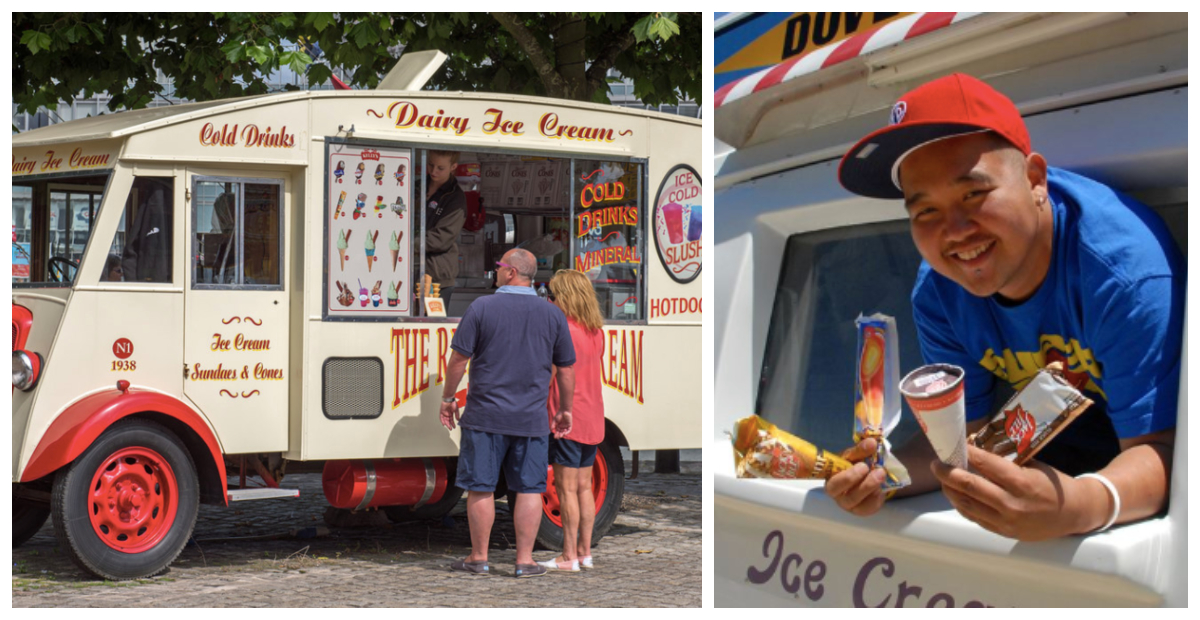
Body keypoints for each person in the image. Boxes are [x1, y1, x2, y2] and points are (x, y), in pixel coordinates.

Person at [828, 73, 1183, 541]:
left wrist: (1081, 506)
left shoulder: (1124, 274)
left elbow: (1164, 449)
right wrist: (880, 477)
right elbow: (962, 441)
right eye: (925, 211)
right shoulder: (939, 292)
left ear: (1035, 180)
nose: (954, 231)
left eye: (973, 194)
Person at [439, 248, 576, 578]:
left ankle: (479, 557)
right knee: (529, 488)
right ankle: (524, 561)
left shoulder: (482, 307)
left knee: (481, 487)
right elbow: (567, 369)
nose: (496, 270)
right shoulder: (552, 314)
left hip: (485, 415)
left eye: (499, 266)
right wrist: (564, 409)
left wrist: (447, 397)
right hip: (530, 419)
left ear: (512, 272)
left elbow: (459, 359)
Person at [537, 270, 606, 572]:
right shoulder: (596, 331)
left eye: (550, 295)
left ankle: (567, 556)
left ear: (562, 297)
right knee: (583, 488)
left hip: (568, 417)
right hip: (593, 416)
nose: (548, 300)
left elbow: (551, 374)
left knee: (565, 490)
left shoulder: (561, 330)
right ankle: (585, 552)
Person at [422, 150, 466, 307]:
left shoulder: (456, 198)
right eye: (431, 165)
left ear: (453, 166)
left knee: (431, 327)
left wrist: (407, 244)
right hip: (408, 271)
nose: (433, 171)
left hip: (438, 276)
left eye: (440, 168)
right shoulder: (416, 187)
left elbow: (441, 239)